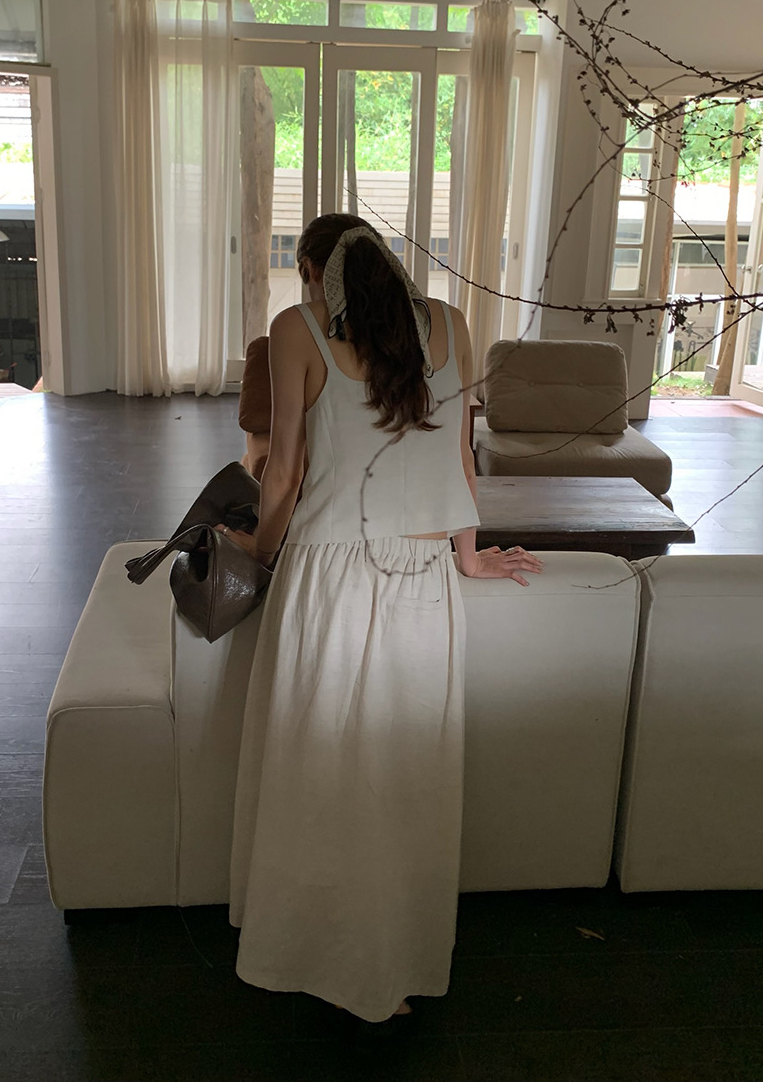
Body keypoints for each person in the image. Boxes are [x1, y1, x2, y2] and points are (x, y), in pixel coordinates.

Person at [219, 213, 543, 1026]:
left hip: (327, 575)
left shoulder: (295, 331)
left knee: (318, 772)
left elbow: (284, 472)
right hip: (424, 579)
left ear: (313, 273)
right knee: (402, 779)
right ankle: (389, 969)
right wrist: (471, 557)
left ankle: (303, 949)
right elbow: (460, 459)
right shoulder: (453, 323)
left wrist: (256, 551)